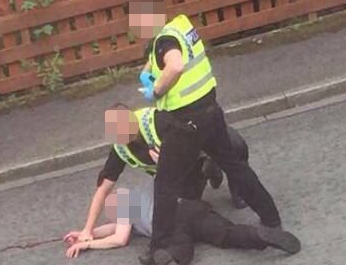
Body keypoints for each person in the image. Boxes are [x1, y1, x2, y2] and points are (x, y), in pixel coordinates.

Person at [129, 0, 285, 259]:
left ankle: (160, 245)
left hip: (185, 121)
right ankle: (271, 218)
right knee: (234, 166)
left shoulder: (165, 41)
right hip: (211, 111)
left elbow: (175, 65)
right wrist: (150, 67)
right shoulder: (179, 27)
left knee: (165, 183)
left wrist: (156, 89)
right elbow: (169, 55)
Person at [63, 104, 247, 247]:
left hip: (198, 143)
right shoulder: (119, 149)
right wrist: (87, 231)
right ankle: (207, 171)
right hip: (180, 172)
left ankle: (234, 184)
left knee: (235, 147)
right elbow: (103, 189)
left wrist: (170, 158)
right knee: (188, 208)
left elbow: (191, 134)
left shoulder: (155, 121)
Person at [64, 185, 301, 265]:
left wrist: (91, 244)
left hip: (172, 221)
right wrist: (86, 235)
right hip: (191, 208)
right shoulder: (140, 199)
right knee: (227, 233)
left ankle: (171, 261)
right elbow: (114, 228)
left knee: (181, 246)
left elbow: (119, 238)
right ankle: (259, 235)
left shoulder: (123, 198)